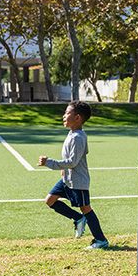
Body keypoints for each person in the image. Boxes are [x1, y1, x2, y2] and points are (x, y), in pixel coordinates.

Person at [39, 101, 110, 250]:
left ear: (77, 118)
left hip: (78, 181)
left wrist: (49, 162)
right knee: (50, 200)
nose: (64, 116)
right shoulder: (72, 134)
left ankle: (101, 240)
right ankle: (78, 218)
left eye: (67, 113)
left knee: (86, 208)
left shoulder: (78, 137)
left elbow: (72, 162)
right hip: (67, 179)